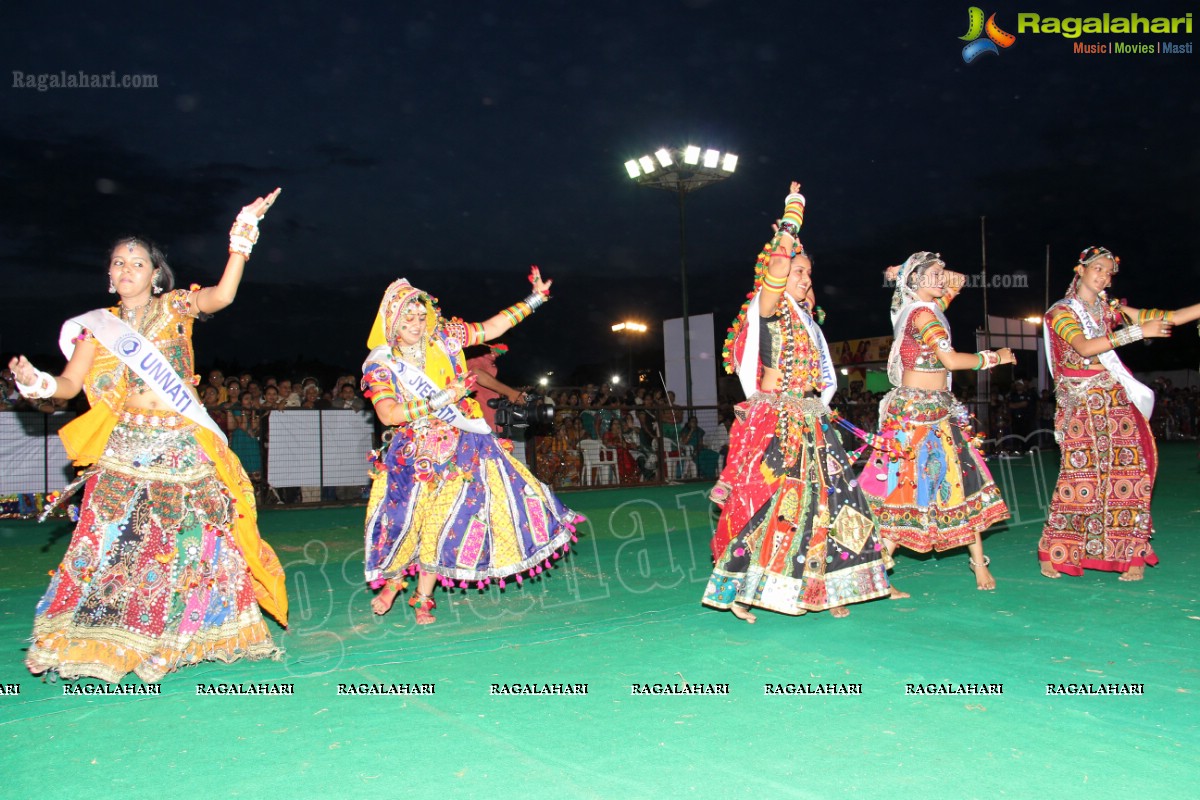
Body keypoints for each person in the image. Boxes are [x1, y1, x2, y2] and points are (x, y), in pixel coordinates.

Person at [7, 189, 288, 682]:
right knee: (112, 541)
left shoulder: (177, 306)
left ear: (155, 273)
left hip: (181, 443)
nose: (125, 270)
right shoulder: (96, 329)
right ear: (109, 274)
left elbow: (222, 296)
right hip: (127, 447)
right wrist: (38, 383)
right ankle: (101, 636)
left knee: (194, 542)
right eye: (118, 263)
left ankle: (192, 636)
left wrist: (242, 235)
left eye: (136, 263)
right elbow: (69, 386)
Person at [704, 183, 893, 622]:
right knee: (769, 504)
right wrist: (793, 214)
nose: (805, 279)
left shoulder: (805, 321)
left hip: (812, 419)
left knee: (832, 501)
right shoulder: (767, 309)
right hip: (778, 421)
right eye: (798, 272)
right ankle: (741, 588)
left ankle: (829, 587)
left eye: (808, 273)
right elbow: (774, 269)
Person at [362, 269, 582, 624]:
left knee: (440, 522)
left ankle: (423, 598)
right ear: (392, 324)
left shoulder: (446, 337)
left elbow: (492, 328)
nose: (418, 325)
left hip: (462, 447)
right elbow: (388, 414)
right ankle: (396, 578)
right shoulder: (382, 365)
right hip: (412, 453)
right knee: (405, 521)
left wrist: (535, 299)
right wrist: (437, 400)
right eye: (408, 320)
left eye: (421, 316)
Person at [1038, 246, 1200, 581]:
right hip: (1080, 404)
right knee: (1080, 478)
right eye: (1097, 268)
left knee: (1130, 473)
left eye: (1109, 271)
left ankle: (1131, 556)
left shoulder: (1111, 309)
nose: (1103, 276)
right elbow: (1083, 347)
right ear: (1079, 270)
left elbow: (1166, 318)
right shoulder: (1061, 312)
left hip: (1113, 398)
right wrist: (1139, 332)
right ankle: (1054, 550)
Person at [857, 252, 1013, 591]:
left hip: (940, 410)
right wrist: (993, 357)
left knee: (960, 482)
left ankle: (978, 563)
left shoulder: (925, 306)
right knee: (903, 489)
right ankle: (877, 573)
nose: (943, 278)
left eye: (942, 271)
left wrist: (914, 270)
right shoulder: (922, 313)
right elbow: (949, 359)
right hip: (914, 416)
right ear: (915, 283)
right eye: (934, 273)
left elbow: (960, 280)